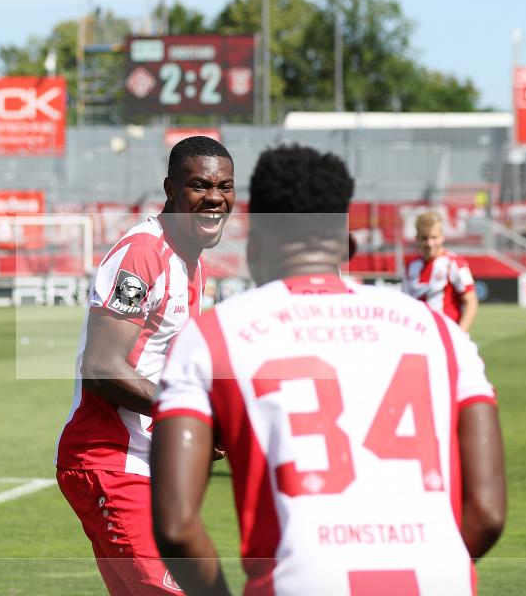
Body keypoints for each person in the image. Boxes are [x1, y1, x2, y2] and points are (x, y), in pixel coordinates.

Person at [151, 145, 506, 595]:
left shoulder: (210, 336)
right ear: (346, 245)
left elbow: (177, 525)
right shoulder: (443, 334)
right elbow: (489, 513)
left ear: (255, 243)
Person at [55, 136, 236, 594]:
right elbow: (101, 366)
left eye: (225, 187)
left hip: (142, 463)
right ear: (170, 190)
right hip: (109, 458)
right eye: (199, 186)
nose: (214, 197)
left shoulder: (191, 260)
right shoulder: (145, 253)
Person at [402, 210, 478, 332]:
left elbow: (471, 301)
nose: (430, 243)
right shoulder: (410, 266)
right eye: (424, 238)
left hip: (447, 335)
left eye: (433, 237)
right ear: (417, 238)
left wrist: (460, 335)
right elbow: (406, 303)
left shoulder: (456, 263)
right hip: (418, 336)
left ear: (442, 237)